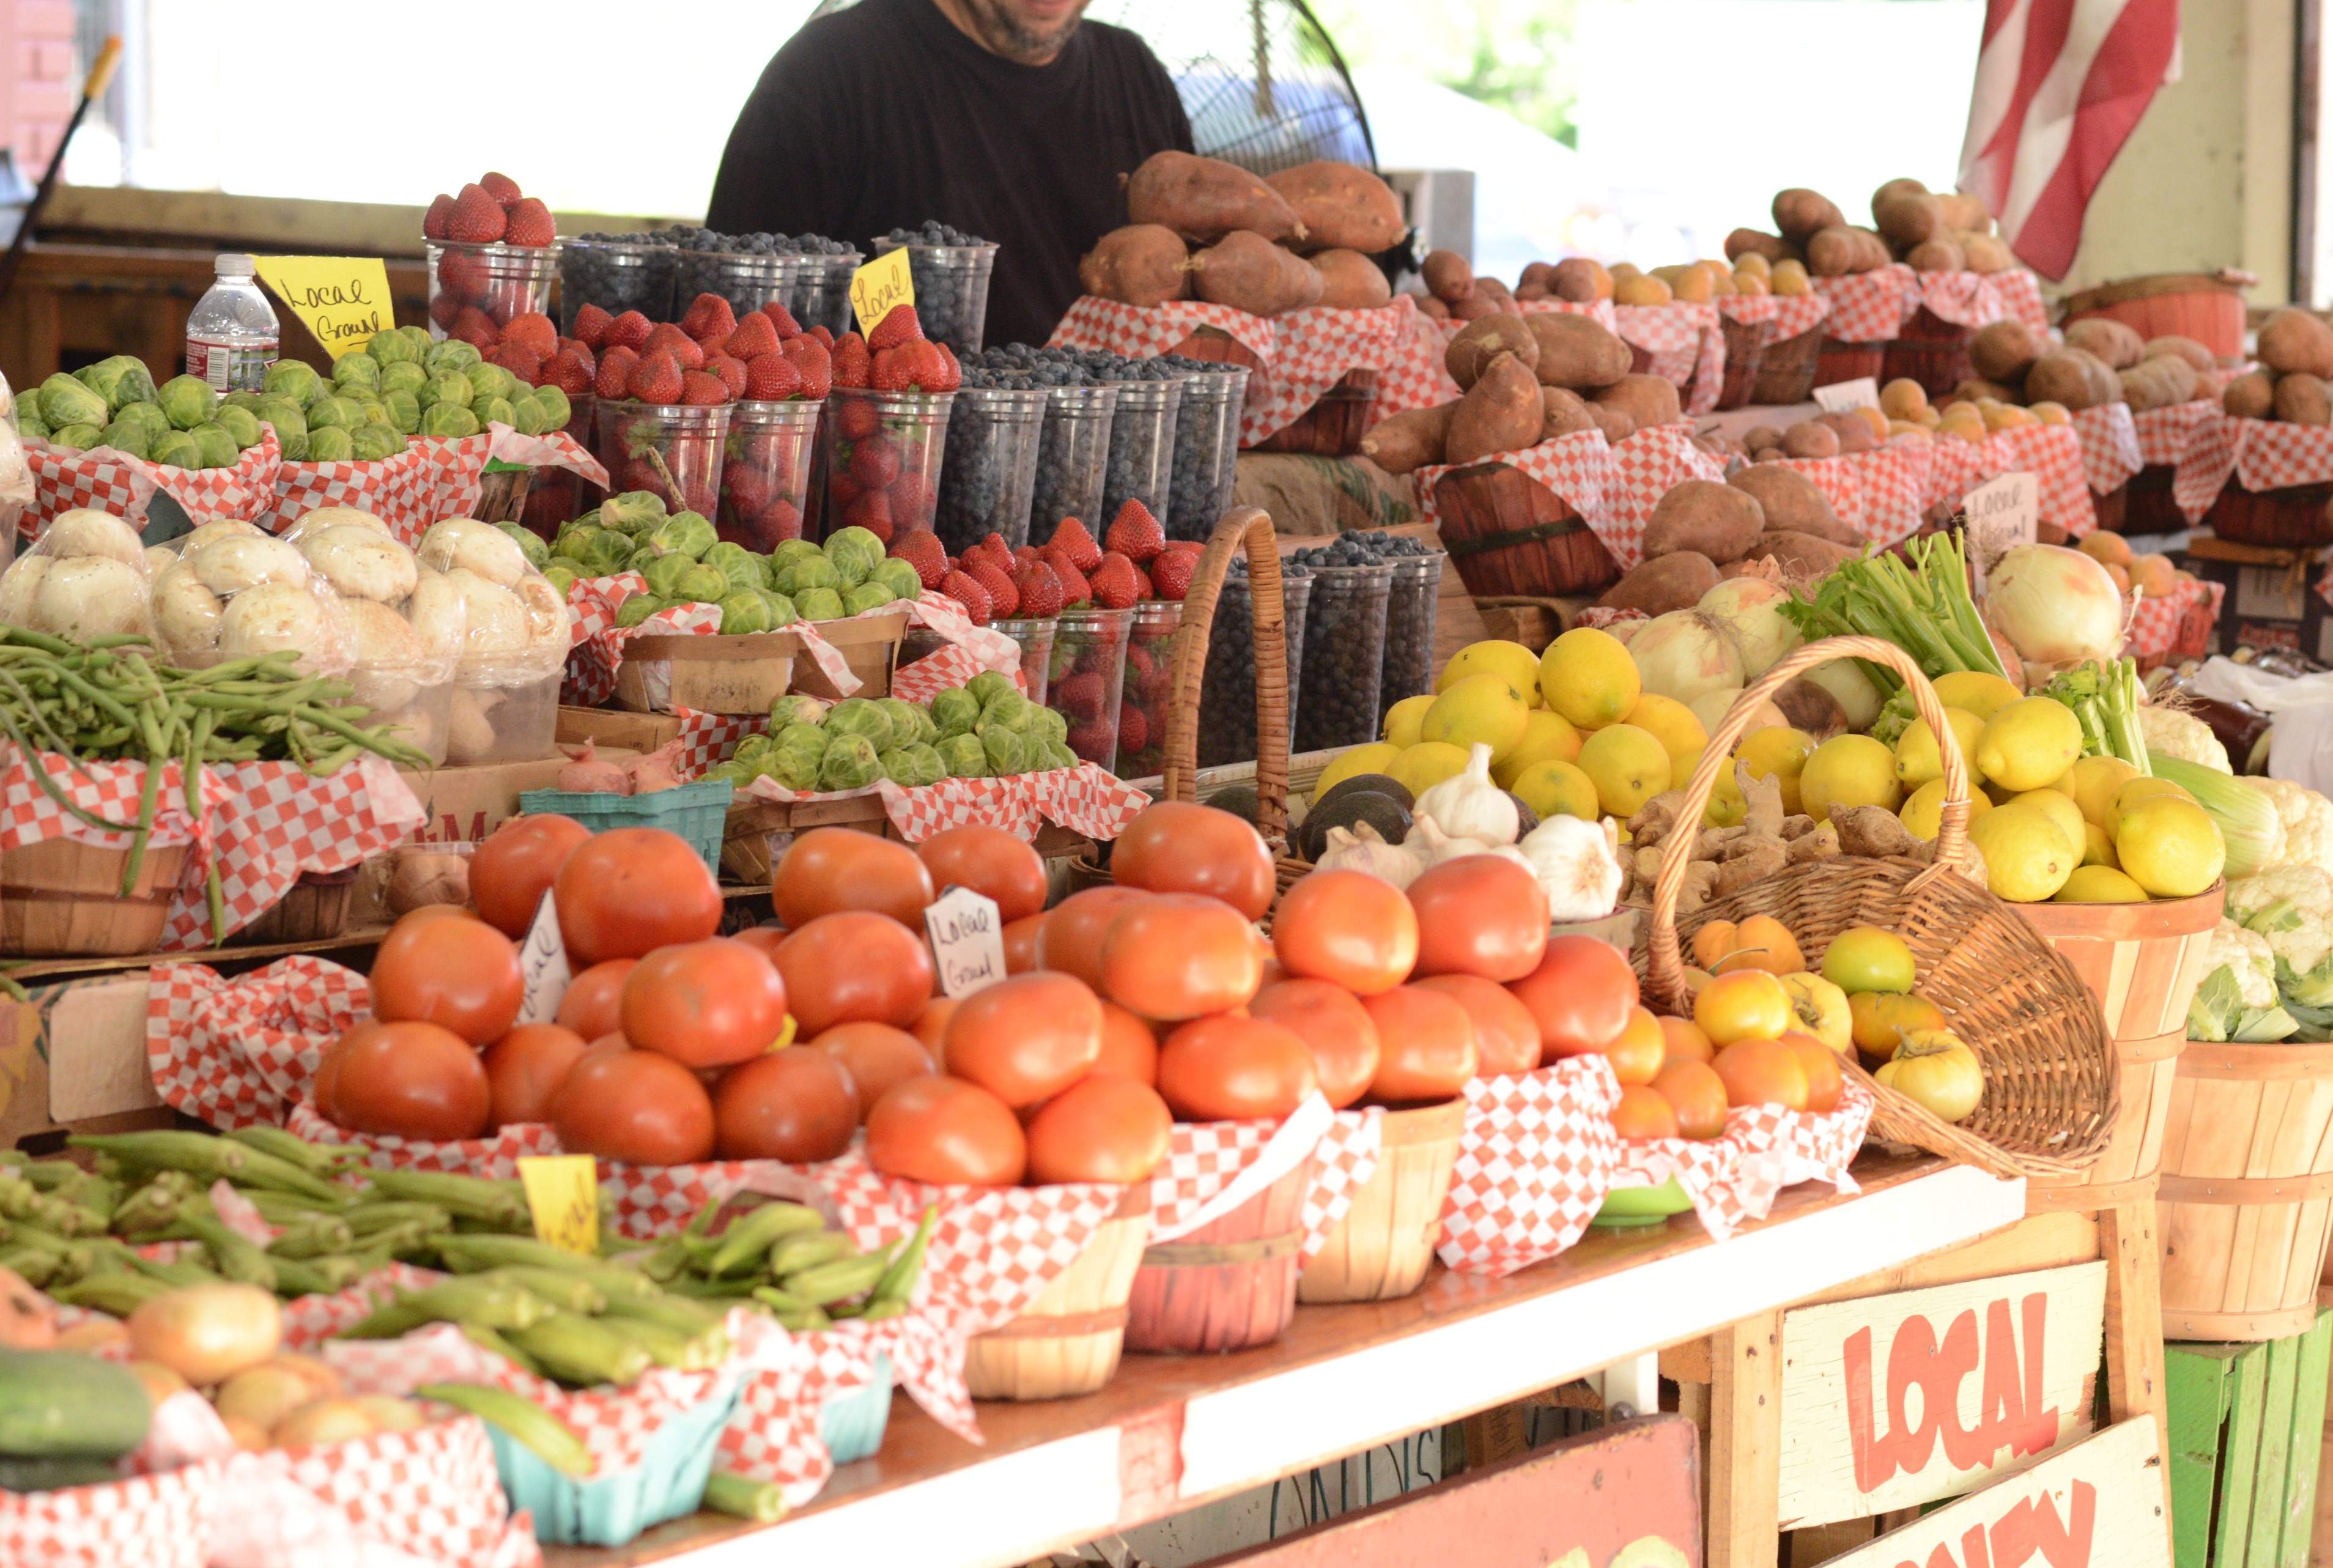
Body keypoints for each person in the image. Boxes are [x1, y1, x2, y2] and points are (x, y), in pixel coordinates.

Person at [707, 0, 1194, 349]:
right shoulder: (826, 71)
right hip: (890, 470)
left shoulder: (1135, 72)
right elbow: (727, 331)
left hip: (1108, 466)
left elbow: (1201, 292)